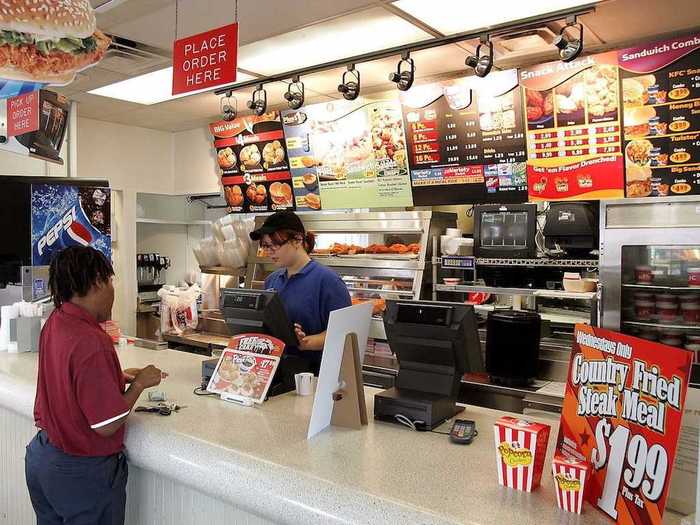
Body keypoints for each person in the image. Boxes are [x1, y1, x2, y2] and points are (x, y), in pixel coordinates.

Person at [25, 246, 164, 525]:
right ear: (98, 281)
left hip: (42, 457)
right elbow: (106, 424)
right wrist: (139, 384)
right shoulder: (91, 340)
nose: (113, 290)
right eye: (111, 281)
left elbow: (68, 378)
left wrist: (113, 377)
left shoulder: (56, 320)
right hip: (80, 472)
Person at [249, 210, 351, 379]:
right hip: (277, 373)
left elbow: (344, 334)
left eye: (275, 244)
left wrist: (307, 342)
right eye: (266, 245)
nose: (270, 251)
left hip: (315, 377)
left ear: (297, 240)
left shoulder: (328, 281)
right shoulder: (272, 281)